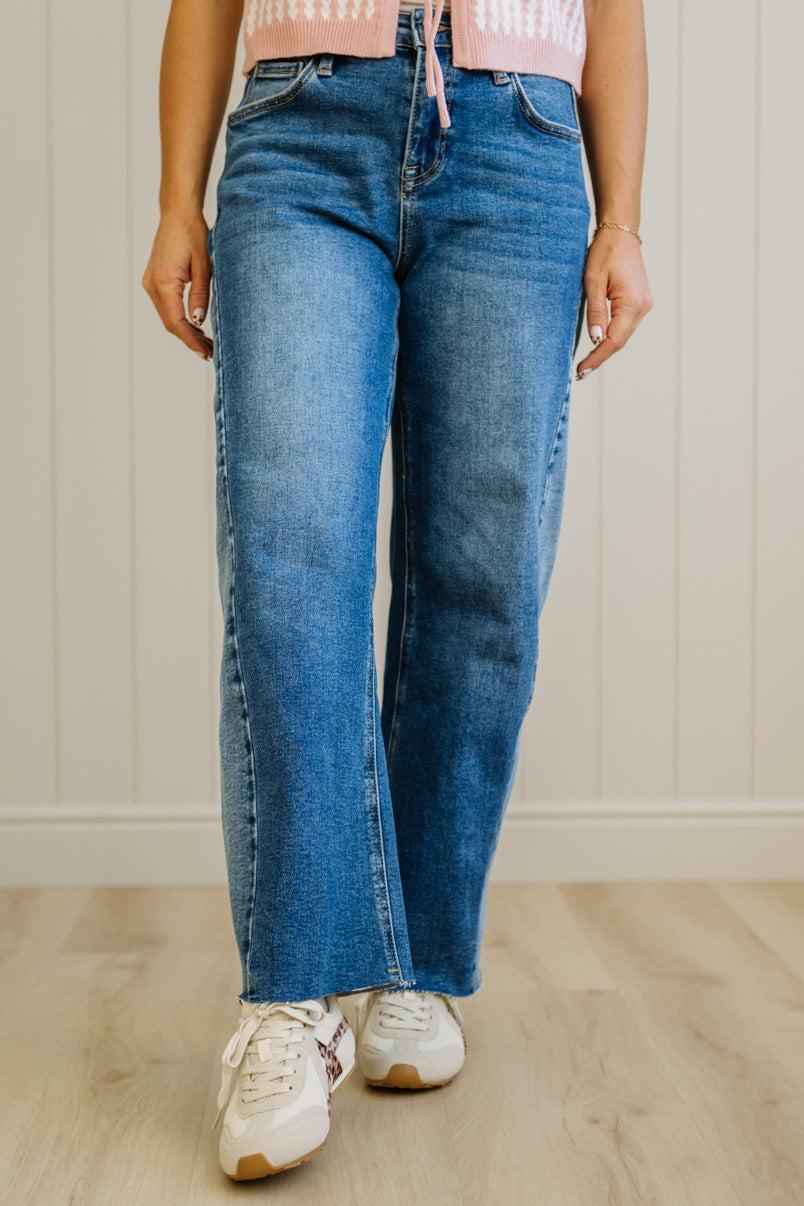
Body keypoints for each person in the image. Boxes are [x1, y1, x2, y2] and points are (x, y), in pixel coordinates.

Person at [142, 0, 651, 1181]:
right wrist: (178, 201)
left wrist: (622, 218)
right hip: (301, 129)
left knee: (484, 590)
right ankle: (298, 993)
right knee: (291, 563)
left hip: (522, 144)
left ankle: (412, 969)